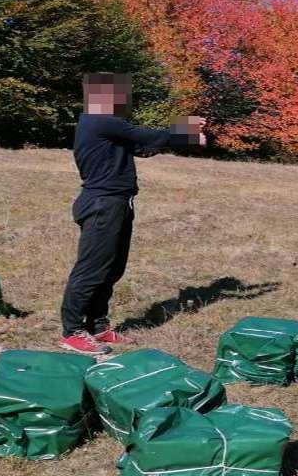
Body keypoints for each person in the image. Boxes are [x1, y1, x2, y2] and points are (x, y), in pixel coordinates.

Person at [59, 72, 206, 355]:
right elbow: (146, 135)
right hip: (102, 203)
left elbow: (143, 146)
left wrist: (182, 129)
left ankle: (98, 326)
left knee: (112, 269)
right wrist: (187, 132)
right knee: (91, 269)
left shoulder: (108, 126)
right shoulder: (97, 120)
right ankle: (73, 332)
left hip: (118, 202)